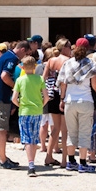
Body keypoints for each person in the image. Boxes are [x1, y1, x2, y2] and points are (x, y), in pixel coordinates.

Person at [57, 37, 96, 173]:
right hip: (86, 100)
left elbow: (63, 83)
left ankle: (71, 161)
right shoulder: (91, 64)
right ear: (88, 48)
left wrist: (62, 99)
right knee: (85, 133)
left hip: (70, 101)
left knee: (71, 133)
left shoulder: (67, 63)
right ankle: (82, 163)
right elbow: (94, 85)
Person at [0, 41, 28, 169]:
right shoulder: (11, 58)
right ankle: (3, 160)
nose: (25, 56)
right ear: (21, 49)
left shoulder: (6, 55)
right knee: (1, 129)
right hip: (1, 96)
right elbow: (4, 76)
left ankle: (3, 157)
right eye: (26, 53)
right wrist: (16, 87)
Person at [13, 55, 49, 177]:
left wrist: (20, 105)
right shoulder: (39, 79)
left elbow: (14, 98)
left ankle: (31, 165)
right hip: (37, 111)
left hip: (25, 111)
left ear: (22, 66)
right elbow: (47, 97)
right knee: (34, 138)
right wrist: (40, 105)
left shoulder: (20, 80)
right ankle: (32, 162)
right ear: (35, 66)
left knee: (27, 139)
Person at [42, 37, 71, 166]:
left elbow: (43, 78)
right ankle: (65, 160)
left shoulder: (51, 61)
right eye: (69, 46)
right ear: (64, 47)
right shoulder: (68, 61)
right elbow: (67, 81)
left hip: (51, 95)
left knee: (55, 128)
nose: (71, 49)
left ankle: (49, 156)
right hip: (63, 95)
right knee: (65, 130)